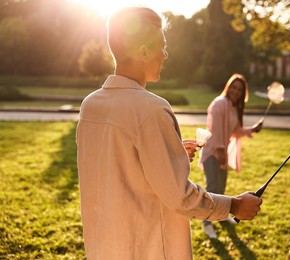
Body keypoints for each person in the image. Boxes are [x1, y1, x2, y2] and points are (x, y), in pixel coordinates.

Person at [76, 7, 262, 259]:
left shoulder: (90, 105)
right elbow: (180, 197)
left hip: (104, 246)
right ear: (143, 51)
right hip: (147, 248)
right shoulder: (152, 109)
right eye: (162, 46)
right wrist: (235, 205)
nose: (165, 54)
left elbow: (120, 171)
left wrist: (172, 156)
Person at [198, 73, 264, 238]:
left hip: (222, 153)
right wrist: (221, 153)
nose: (236, 91)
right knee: (212, 189)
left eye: (239, 89)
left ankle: (220, 216)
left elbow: (236, 131)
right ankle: (206, 223)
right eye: (234, 87)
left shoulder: (234, 107)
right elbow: (215, 130)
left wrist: (253, 129)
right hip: (213, 153)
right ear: (228, 87)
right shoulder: (220, 103)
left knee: (221, 190)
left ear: (243, 93)